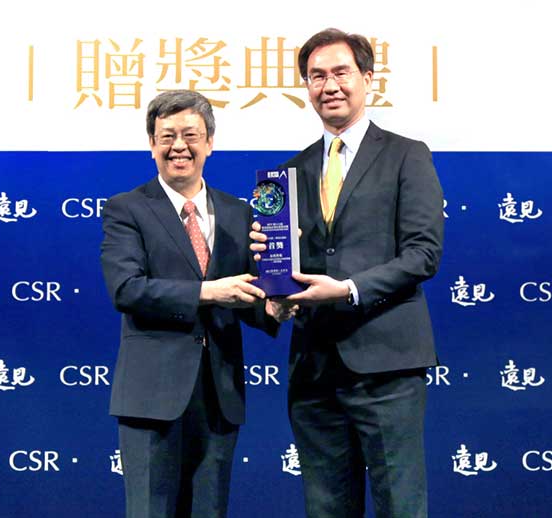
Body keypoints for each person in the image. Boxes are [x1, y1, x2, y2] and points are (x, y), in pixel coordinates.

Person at [251, 28, 444, 517]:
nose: (329, 85)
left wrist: (349, 289)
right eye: (317, 76)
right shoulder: (289, 173)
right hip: (314, 369)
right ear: (306, 87)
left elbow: (423, 253)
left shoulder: (407, 154)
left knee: (400, 506)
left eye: (341, 72)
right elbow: (288, 268)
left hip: (387, 366)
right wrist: (273, 283)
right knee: (327, 508)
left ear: (368, 79)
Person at [101, 90, 283, 518]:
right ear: (152, 144)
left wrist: (273, 308)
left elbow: (247, 294)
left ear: (210, 143)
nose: (179, 146)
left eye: (190, 135)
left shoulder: (239, 212)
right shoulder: (127, 209)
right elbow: (126, 289)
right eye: (167, 136)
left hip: (219, 395)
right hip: (151, 396)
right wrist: (208, 292)